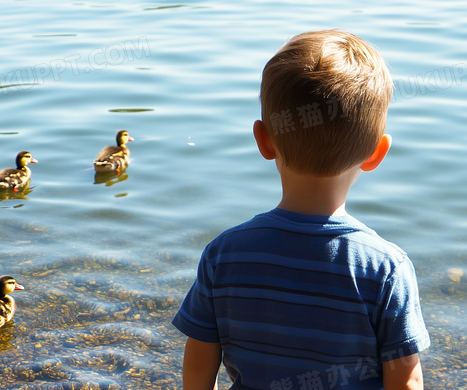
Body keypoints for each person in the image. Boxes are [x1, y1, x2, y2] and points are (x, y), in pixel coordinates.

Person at [172, 30, 430, 390]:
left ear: (263, 140)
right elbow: (405, 382)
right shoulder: (384, 269)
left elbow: (199, 367)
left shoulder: (225, 254)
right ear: (377, 152)